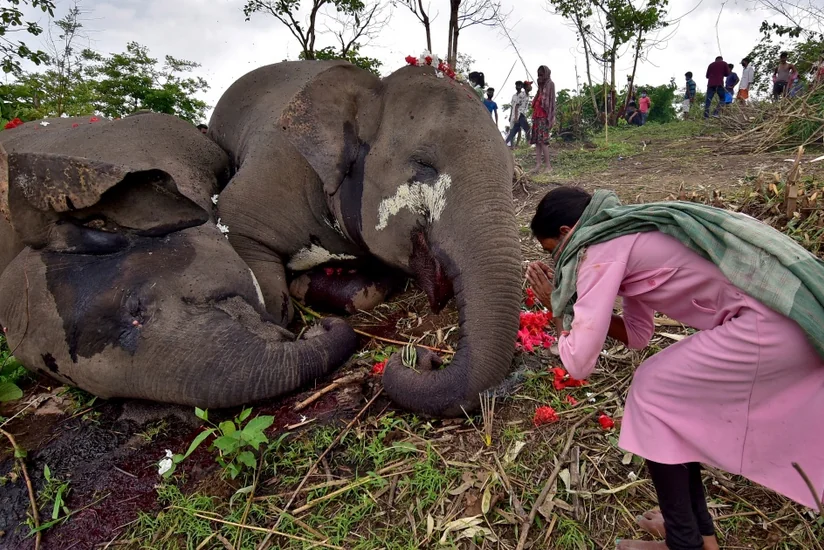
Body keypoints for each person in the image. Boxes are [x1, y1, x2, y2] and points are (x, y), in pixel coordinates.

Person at [526, 186, 824, 550]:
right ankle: (700, 536)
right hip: (781, 321)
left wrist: (557, 307)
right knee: (671, 409)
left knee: (652, 390)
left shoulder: (598, 251)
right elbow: (639, 334)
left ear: (567, 233)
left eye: (552, 252)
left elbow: (578, 362)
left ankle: (684, 543)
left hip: (768, 327)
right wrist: (580, 305)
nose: (557, 263)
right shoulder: (629, 231)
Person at [530, 66, 555, 173]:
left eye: (541, 75)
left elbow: (550, 102)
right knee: (537, 141)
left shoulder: (550, 84)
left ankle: (548, 166)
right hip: (537, 116)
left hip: (544, 117)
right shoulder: (541, 87)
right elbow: (535, 101)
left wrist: (551, 117)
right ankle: (538, 164)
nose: (539, 77)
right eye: (538, 75)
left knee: (543, 141)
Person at [505, 81, 530, 149]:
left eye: (519, 85)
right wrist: (512, 116)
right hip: (516, 114)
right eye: (517, 85)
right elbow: (514, 106)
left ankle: (510, 144)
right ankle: (511, 145)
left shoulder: (525, 94)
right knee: (515, 129)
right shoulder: (517, 95)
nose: (518, 86)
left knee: (516, 130)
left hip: (520, 114)